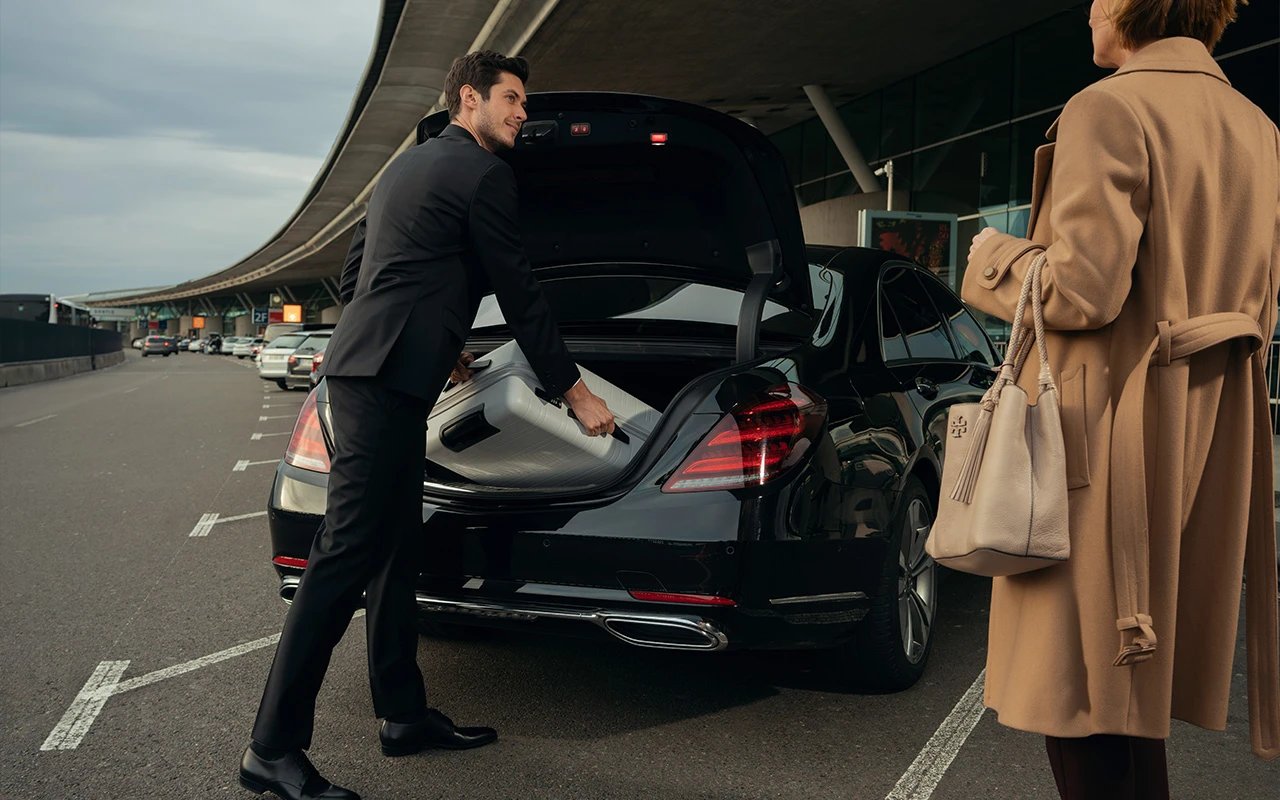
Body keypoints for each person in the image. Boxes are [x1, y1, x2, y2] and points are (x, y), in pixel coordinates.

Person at [238, 50, 616, 800]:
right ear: (468, 99)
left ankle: (403, 716)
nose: (522, 113)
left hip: (375, 369)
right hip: (381, 382)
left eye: (524, 103)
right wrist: (574, 393)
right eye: (512, 99)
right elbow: (520, 290)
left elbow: (360, 275)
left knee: (394, 548)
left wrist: (433, 343)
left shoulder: (405, 170)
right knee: (344, 554)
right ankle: (271, 750)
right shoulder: (483, 174)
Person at [963, 1, 1279, 797]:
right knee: (1128, 702)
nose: (1090, 11)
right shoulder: (1254, 126)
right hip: (1208, 428)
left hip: (1107, 434)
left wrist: (994, 258)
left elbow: (1080, 294)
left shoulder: (1108, 107)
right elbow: (1262, 305)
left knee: (1076, 701)